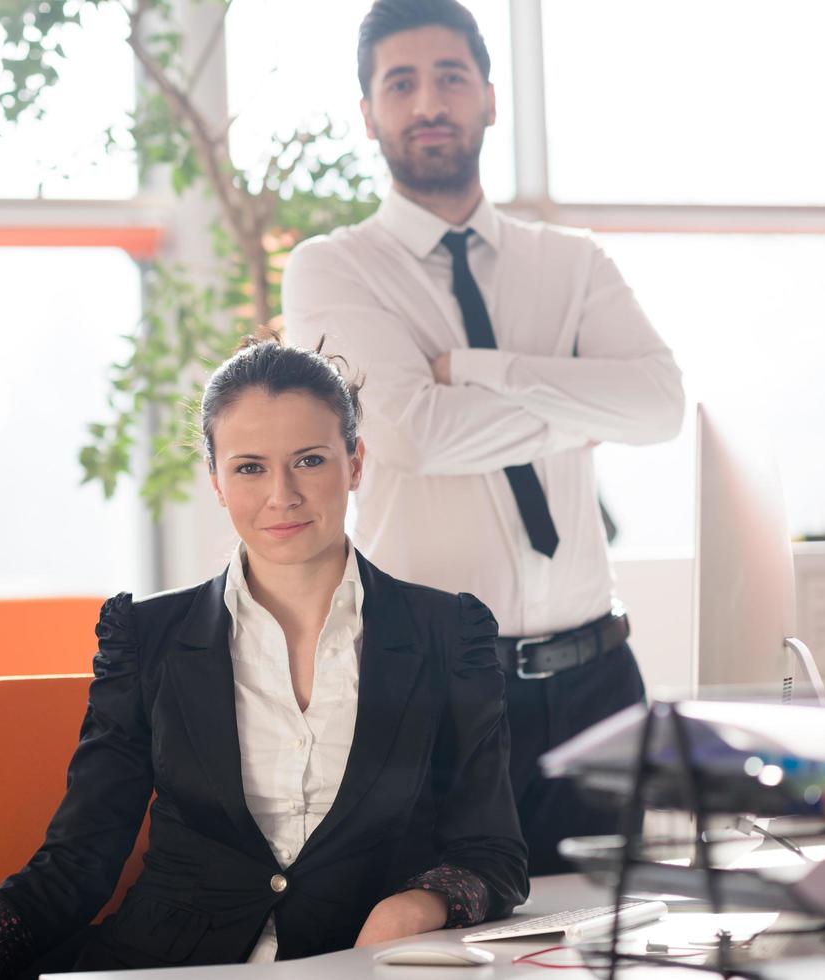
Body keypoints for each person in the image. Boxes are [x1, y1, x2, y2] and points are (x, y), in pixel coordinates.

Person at [0, 339, 527, 979]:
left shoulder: (449, 632)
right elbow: (77, 864)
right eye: (249, 467)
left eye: (308, 460)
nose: (281, 495)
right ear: (215, 480)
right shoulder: (144, 636)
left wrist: (410, 910)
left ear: (354, 464)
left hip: (353, 963)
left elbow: (490, 850)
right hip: (160, 962)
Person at [282, 0, 685, 876]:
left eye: (450, 77)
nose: (429, 100)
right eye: (401, 82)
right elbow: (413, 435)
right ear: (369, 114)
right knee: (441, 945)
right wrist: (582, 407)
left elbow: (658, 407)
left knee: (616, 938)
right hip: (438, 686)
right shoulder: (332, 268)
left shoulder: (572, 262)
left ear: (489, 99)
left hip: (599, 681)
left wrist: (475, 369)